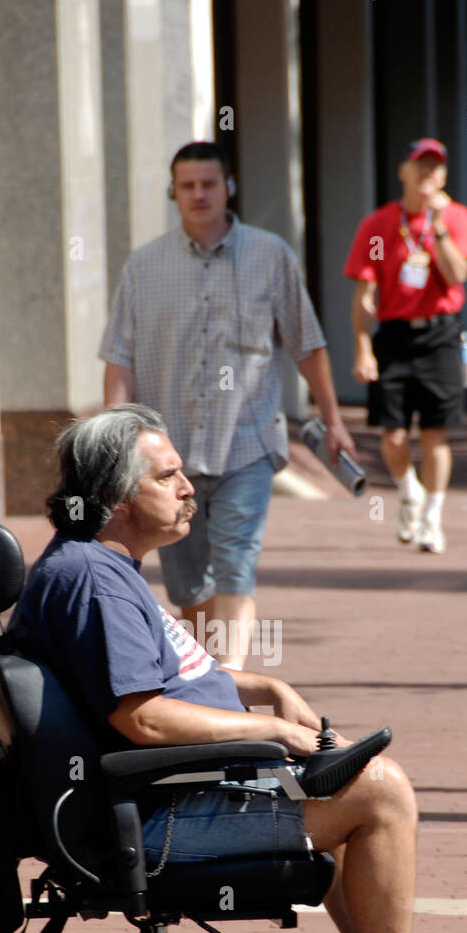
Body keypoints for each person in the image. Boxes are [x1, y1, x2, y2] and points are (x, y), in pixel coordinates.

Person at [7, 404, 467, 933]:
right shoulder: (95, 584)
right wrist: (270, 730)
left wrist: (264, 687)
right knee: (382, 794)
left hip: (161, 796)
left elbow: (171, 679)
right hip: (157, 818)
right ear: (115, 497)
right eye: (168, 478)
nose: (189, 488)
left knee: (345, 800)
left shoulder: (97, 565)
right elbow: (143, 718)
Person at [98, 140, 354, 671]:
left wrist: (333, 420)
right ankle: (206, 673)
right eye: (187, 186)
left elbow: (307, 344)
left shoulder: (270, 255)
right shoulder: (144, 267)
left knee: (237, 564)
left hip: (247, 444)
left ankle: (231, 679)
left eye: (208, 184)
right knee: (189, 586)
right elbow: (120, 358)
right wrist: (115, 441)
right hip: (171, 459)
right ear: (173, 192)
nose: (198, 195)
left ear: (229, 187)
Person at [344, 139, 467, 555]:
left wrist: (438, 228)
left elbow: (457, 276)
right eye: (420, 167)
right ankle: (409, 491)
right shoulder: (379, 224)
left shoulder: (456, 218)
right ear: (403, 171)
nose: (428, 176)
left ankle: (433, 518)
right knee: (393, 432)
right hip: (395, 335)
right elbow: (364, 292)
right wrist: (363, 347)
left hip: (440, 335)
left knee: (436, 432)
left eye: (436, 169)